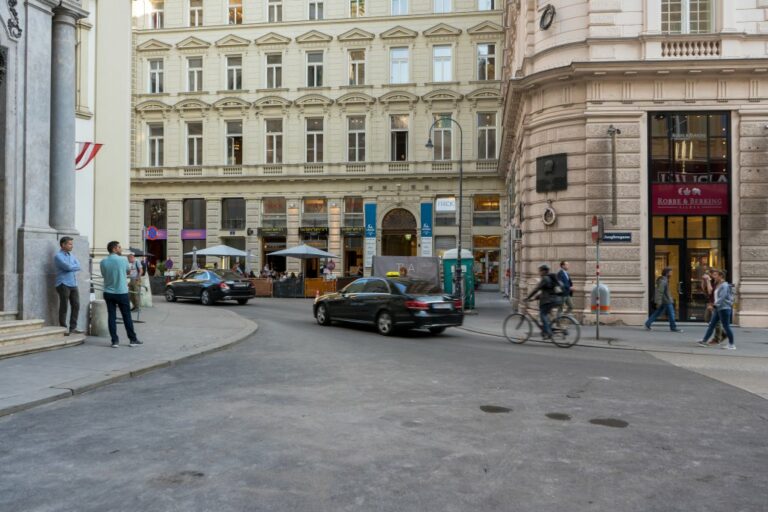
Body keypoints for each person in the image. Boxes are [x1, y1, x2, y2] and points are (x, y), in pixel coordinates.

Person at [100, 241, 141, 348]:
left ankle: (114, 341)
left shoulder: (103, 261)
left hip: (108, 292)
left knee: (111, 316)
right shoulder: (123, 260)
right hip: (121, 292)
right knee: (126, 316)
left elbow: (104, 275)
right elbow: (128, 272)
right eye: (119, 247)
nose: (121, 249)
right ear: (114, 249)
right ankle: (133, 340)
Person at [698, 269, 735, 350]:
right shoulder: (718, 284)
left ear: (721, 276)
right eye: (713, 275)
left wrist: (714, 305)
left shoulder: (724, 285)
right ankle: (704, 341)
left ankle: (731, 344)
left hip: (724, 308)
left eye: (716, 275)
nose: (714, 276)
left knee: (726, 327)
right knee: (712, 325)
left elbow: (722, 297)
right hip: (718, 308)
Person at [525, 264, 563, 340]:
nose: (539, 272)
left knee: (543, 315)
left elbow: (536, 289)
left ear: (543, 271)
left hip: (549, 301)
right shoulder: (550, 278)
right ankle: (546, 331)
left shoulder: (545, 278)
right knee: (547, 315)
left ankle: (549, 333)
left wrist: (528, 297)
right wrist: (535, 298)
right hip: (556, 299)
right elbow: (545, 291)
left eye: (540, 271)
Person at [54, 236, 83, 335]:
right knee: (64, 306)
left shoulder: (71, 255)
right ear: (63, 245)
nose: (72, 246)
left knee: (76, 305)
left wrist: (72, 267)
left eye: (71, 244)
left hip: (73, 283)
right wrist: (72, 267)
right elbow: (67, 267)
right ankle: (63, 328)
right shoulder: (58, 256)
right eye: (70, 244)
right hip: (63, 283)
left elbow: (78, 266)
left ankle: (73, 328)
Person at [644, 267, 684, 333]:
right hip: (666, 301)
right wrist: (658, 302)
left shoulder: (664, 280)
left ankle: (648, 323)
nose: (671, 274)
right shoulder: (663, 281)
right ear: (667, 273)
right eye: (671, 272)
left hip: (665, 300)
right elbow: (660, 292)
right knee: (671, 314)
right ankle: (673, 327)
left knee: (658, 313)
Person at [700, 268, 724, 346]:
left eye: (714, 274)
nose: (713, 276)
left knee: (716, 322)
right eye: (712, 274)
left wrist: (707, 280)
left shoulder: (719, 283)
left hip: (715, 304)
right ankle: (723, 334)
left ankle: (717, 338)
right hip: (711, 303)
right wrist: (703, 280)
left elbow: (710, 292)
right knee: (707, 319)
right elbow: (704, 289)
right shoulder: (713, 281)